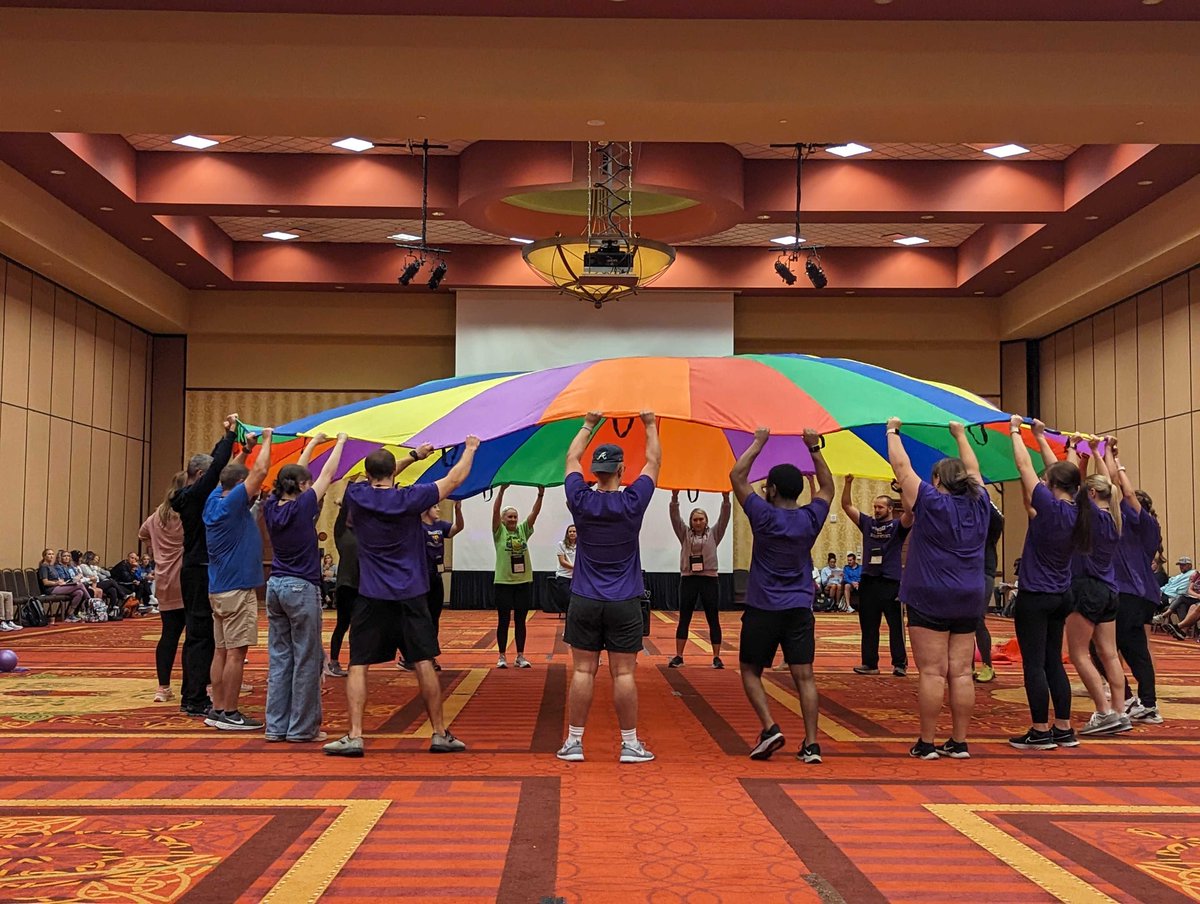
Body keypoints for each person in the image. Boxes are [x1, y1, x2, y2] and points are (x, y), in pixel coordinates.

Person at [324, 437, 480, 758]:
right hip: (411, 593)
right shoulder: (412, 497)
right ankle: (439, 733)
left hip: (371, 594)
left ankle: (354, 735)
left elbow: (381, 477)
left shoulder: (357, 495)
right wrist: (472, 448)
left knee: (358, 663)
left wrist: (411, 457)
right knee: (423, 661)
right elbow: (455, 478)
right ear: (392, 475)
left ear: (368, 474)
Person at [557, 411, 659, 764]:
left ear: (594, 472)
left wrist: (588, 423)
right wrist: (648, 424)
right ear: (620, 470)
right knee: (625, 673)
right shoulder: (633, 503)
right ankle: (629, 744)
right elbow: (654, 461)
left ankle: (573, 743)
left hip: (584, 598)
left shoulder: (580, 500)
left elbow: (570, 458)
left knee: (583, 671)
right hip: (625, 601)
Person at [888, 419, 990, 760]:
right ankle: (959, 742)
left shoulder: (930, 501)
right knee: (961, 671)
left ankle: (927, 742)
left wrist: (892, 431)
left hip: (929, 594)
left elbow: (901, 469)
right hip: (969, 595)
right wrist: (960, 435)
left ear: (936, 480)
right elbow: (975, 469)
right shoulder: (980, 503)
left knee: (932, 671)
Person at [730, 427, 832, 764]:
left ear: (771, 490)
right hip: (800, 607)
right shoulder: (810, 517)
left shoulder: (763, 515)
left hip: (762, 606)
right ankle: (813, 744)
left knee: (749, 671)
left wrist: (758, 442)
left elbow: (737, 476)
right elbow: (828, 488)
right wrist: (813, 448)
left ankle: (770, 727)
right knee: (804, 676)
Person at [1007, 417, 1090, 751]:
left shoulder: (1049, 507)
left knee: (1034, 664)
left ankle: (1040, 730)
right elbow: (1061, 471)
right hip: (1061, 595)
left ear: (1052, 485)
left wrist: (1016, 431)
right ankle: (1064, 728)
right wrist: (1041, 438)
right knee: (1054, 660)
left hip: (1036, 595)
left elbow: (1023, 465)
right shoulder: (1079, 506)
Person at [263, 432, 347, 743]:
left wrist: (311, 444)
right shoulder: (303, 507)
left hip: (276, 587)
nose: (311, 486)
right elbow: (327, 474)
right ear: (301, 487)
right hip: (301, 588)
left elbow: (296, 473)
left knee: (281, 658)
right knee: (308, 659)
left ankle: (276, 726)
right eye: (306, 484)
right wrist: (339, 443)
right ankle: (301, 728)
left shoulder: (272, 506)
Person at [201, 427, 272, 731]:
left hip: (219, 589)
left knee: (221, 650)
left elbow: (232, 475)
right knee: (237, 654)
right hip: (237, 589)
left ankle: (217, 708)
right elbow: (260, 471)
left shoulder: (214, 500)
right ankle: (230, 712)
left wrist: (245, 448)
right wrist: (268, 440)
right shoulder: (231, 505)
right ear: (242, 486)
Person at [1059, 437, 1129, 736]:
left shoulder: (1088, 516)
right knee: (1109, 653)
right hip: (1109, 591)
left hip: (1086, 588)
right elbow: (1110, 481)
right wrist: (1099, 453)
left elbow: (1070, 482)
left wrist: (1074, 452)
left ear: (1089, 493)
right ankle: (1120, 710)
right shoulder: (1114, 516)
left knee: (1079, 654)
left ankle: (1102, 711)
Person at [171, 413, 239, 717]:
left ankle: (191, 694)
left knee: (198, 635)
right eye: (207, 474)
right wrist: (230, 437)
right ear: (198, 475)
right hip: (199, 570)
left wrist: (225, 438)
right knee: (201, 636)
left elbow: (212, 465)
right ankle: (196, 698)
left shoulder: (190, 494)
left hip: (194, 569)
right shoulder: (197, 495)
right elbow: (215, 471)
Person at [842, 475, 911, 677]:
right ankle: (870, 664)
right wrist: (847, 484)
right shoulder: (867, 524)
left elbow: (910, 513)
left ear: (890, 509)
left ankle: (899, 664)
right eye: (875, 507)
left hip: (891, 582)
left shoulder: (898, 527)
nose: (876, 510)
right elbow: (846, 505)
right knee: (869, 626)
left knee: (895, 626)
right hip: (869, 581)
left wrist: (901, 491)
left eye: (880, 507)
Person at [667, 490, 732, 669]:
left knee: (713, 618)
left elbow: (725, 517)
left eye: (701, 519)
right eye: (695, 519)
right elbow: (674, 518)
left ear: (706, 521)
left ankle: (717, 657)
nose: (698, 522)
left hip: (709, 579)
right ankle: (679, 656)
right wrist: (674, 498)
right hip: (688, 579)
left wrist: (726, 498)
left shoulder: (714, 534)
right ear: (691, 522)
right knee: (684, 618)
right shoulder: (684, 534)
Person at [140, 471, 187, 702]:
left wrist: (155, 550)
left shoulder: (157, 515)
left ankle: (163, 687)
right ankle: (196, 684)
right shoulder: (185, 515)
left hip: (164, 579)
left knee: (168, 635)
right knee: (195, 636)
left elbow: (142, 534)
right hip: (186, 578)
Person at [404, 499, 464, 671]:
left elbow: (457, 529)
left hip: (436, 578)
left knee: (434, 618)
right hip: (421, 579)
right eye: (435, 507)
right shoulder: (417, 527)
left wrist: (458, 510)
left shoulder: (440, 526)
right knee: (420, 619)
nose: (438, 510)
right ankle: (412, 656)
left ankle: (429, 655)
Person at [491, 484, 544, 669]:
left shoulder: (523, 530)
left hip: (523, 582)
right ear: (503, 520)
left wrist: (540, 494)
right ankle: (502, 656)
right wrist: (502, 491)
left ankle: (520, 656)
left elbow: (534, 515)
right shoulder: (499, 532)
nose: (513, 519)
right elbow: (496, 510)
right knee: (503, 620)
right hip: (503, 582)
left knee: (521, 620)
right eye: (510, 517)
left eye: (515, 517)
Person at [326, 486, 361, 678]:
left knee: (359, 626)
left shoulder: (365, 534)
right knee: (342, 624)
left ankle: (357, 662)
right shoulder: (342, 533)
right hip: (346, 585)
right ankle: (334, 662)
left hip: (364, 586)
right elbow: (344, 513)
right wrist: (346, 496)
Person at [973, 500, 1005, 683]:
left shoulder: (990, 528)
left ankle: (987, 665)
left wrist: (979, 492)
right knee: (963, 620)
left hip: (984, 572)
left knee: (977, 619)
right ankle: (966, 665)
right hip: (965, 572)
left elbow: (999, 518)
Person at [37, 549, 87, 623]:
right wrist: (57, 583)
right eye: (49, 554)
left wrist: (61, 581)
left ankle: (70, 614)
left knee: (79, 592)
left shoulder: (52, 566)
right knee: (79, 585)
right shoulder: (44, 567)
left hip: (58, 586)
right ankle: (90, 603)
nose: (51, 556)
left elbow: (57, 578)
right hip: (51, 589)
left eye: (52, 554)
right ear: (44, 556)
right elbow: (45, 582)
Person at [550, 525, 577, 619]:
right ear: (567, 533)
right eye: (570, 531)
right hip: (564, 576)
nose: (572, 533)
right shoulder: (561, 544)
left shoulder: (581, 545)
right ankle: (569, 623)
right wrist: (577, 567)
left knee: (577, 601)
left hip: (577, 577)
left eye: (574, 531)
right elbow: (562, 562)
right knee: (568, 600)